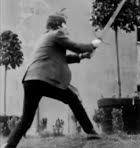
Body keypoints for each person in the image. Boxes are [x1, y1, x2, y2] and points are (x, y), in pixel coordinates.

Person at [1, 13, 102, 148]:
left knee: (26, 119)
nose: (67, 29)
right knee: (72, 98)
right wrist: (92, 44)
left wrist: (83, 56)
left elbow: (60, 59)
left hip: (30, 80)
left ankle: (8, 146)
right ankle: (90, 132)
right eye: (65, 26)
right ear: (59, 25)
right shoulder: (57, 34)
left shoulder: (44, 38)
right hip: (44, 79)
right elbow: (76, 46)